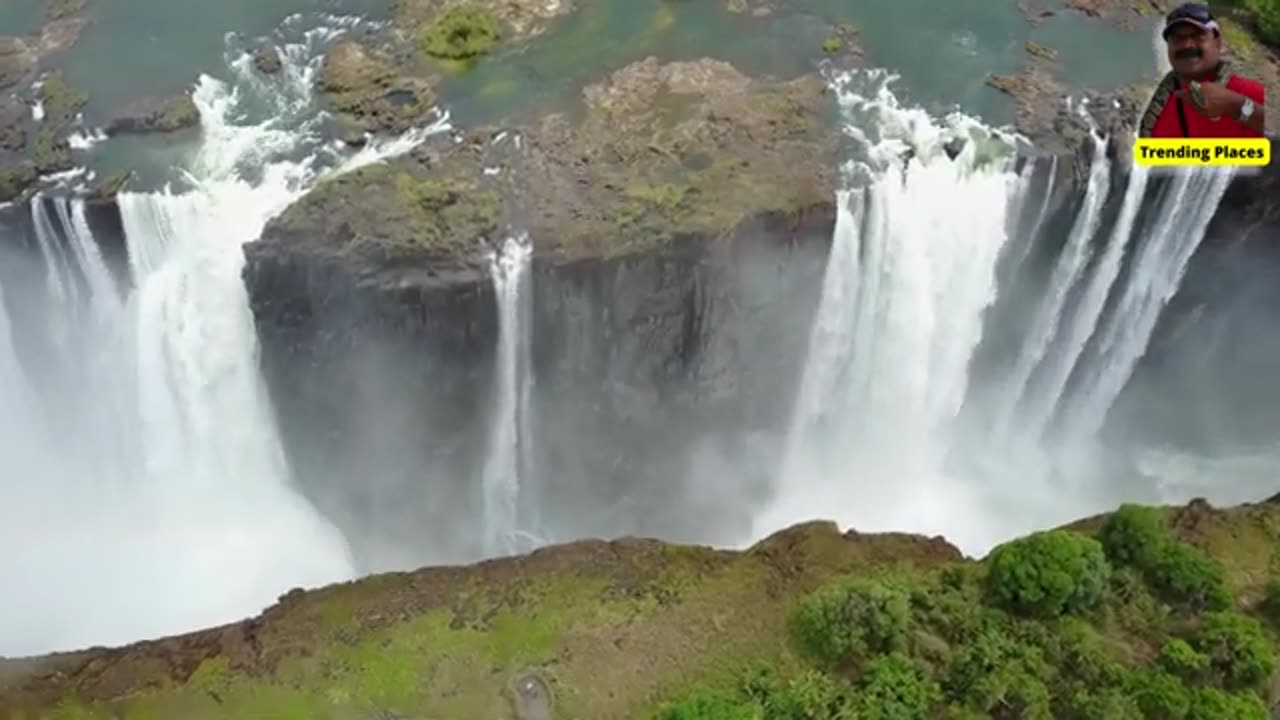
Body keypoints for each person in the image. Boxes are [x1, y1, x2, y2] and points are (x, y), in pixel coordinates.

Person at [1139, 2, 1266, 138]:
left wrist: (1235, 106)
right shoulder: (1158, 114)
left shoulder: (1250, 91)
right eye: (1177, 38)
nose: (1187, 45)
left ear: (1217, 42)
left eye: (1198, 35)